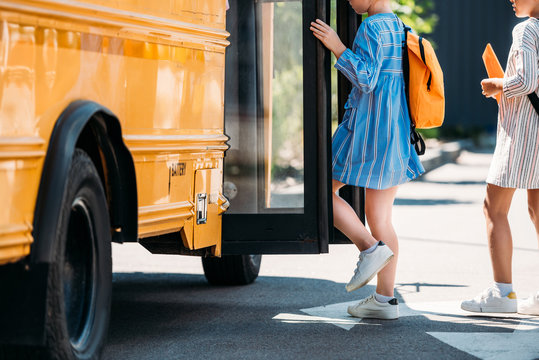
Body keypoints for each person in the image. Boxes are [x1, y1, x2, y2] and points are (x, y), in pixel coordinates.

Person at [310, 0, 424, 320]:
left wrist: (338, 46)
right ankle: (385, 300)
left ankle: (368, 248)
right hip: (394, 131)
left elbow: (367, 79)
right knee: (382, 218)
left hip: (366, 130)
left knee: (321, 190)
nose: (348, 0)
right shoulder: (398, 26)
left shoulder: (371, 27)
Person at [461, 0, 539, 315]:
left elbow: (526, 81)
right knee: (536, 210)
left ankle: (502, 294)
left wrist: (496, 85)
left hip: (522, 132)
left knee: (494, 208)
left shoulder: (527, 29)